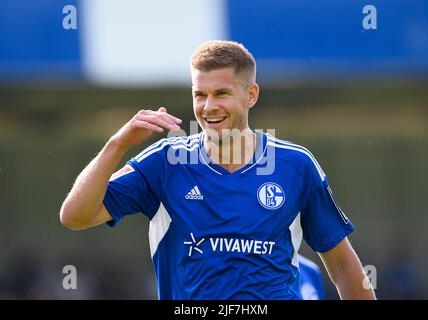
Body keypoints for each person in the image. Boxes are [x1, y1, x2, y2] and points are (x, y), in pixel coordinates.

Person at [60, 40, 376, 300]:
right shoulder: (165, 162)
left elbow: (342, 264)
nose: (209, 106)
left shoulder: (296, 165)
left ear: (250, 95)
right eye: (200, 94)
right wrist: (116, 144)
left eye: (221, 93)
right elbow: (75, 216)